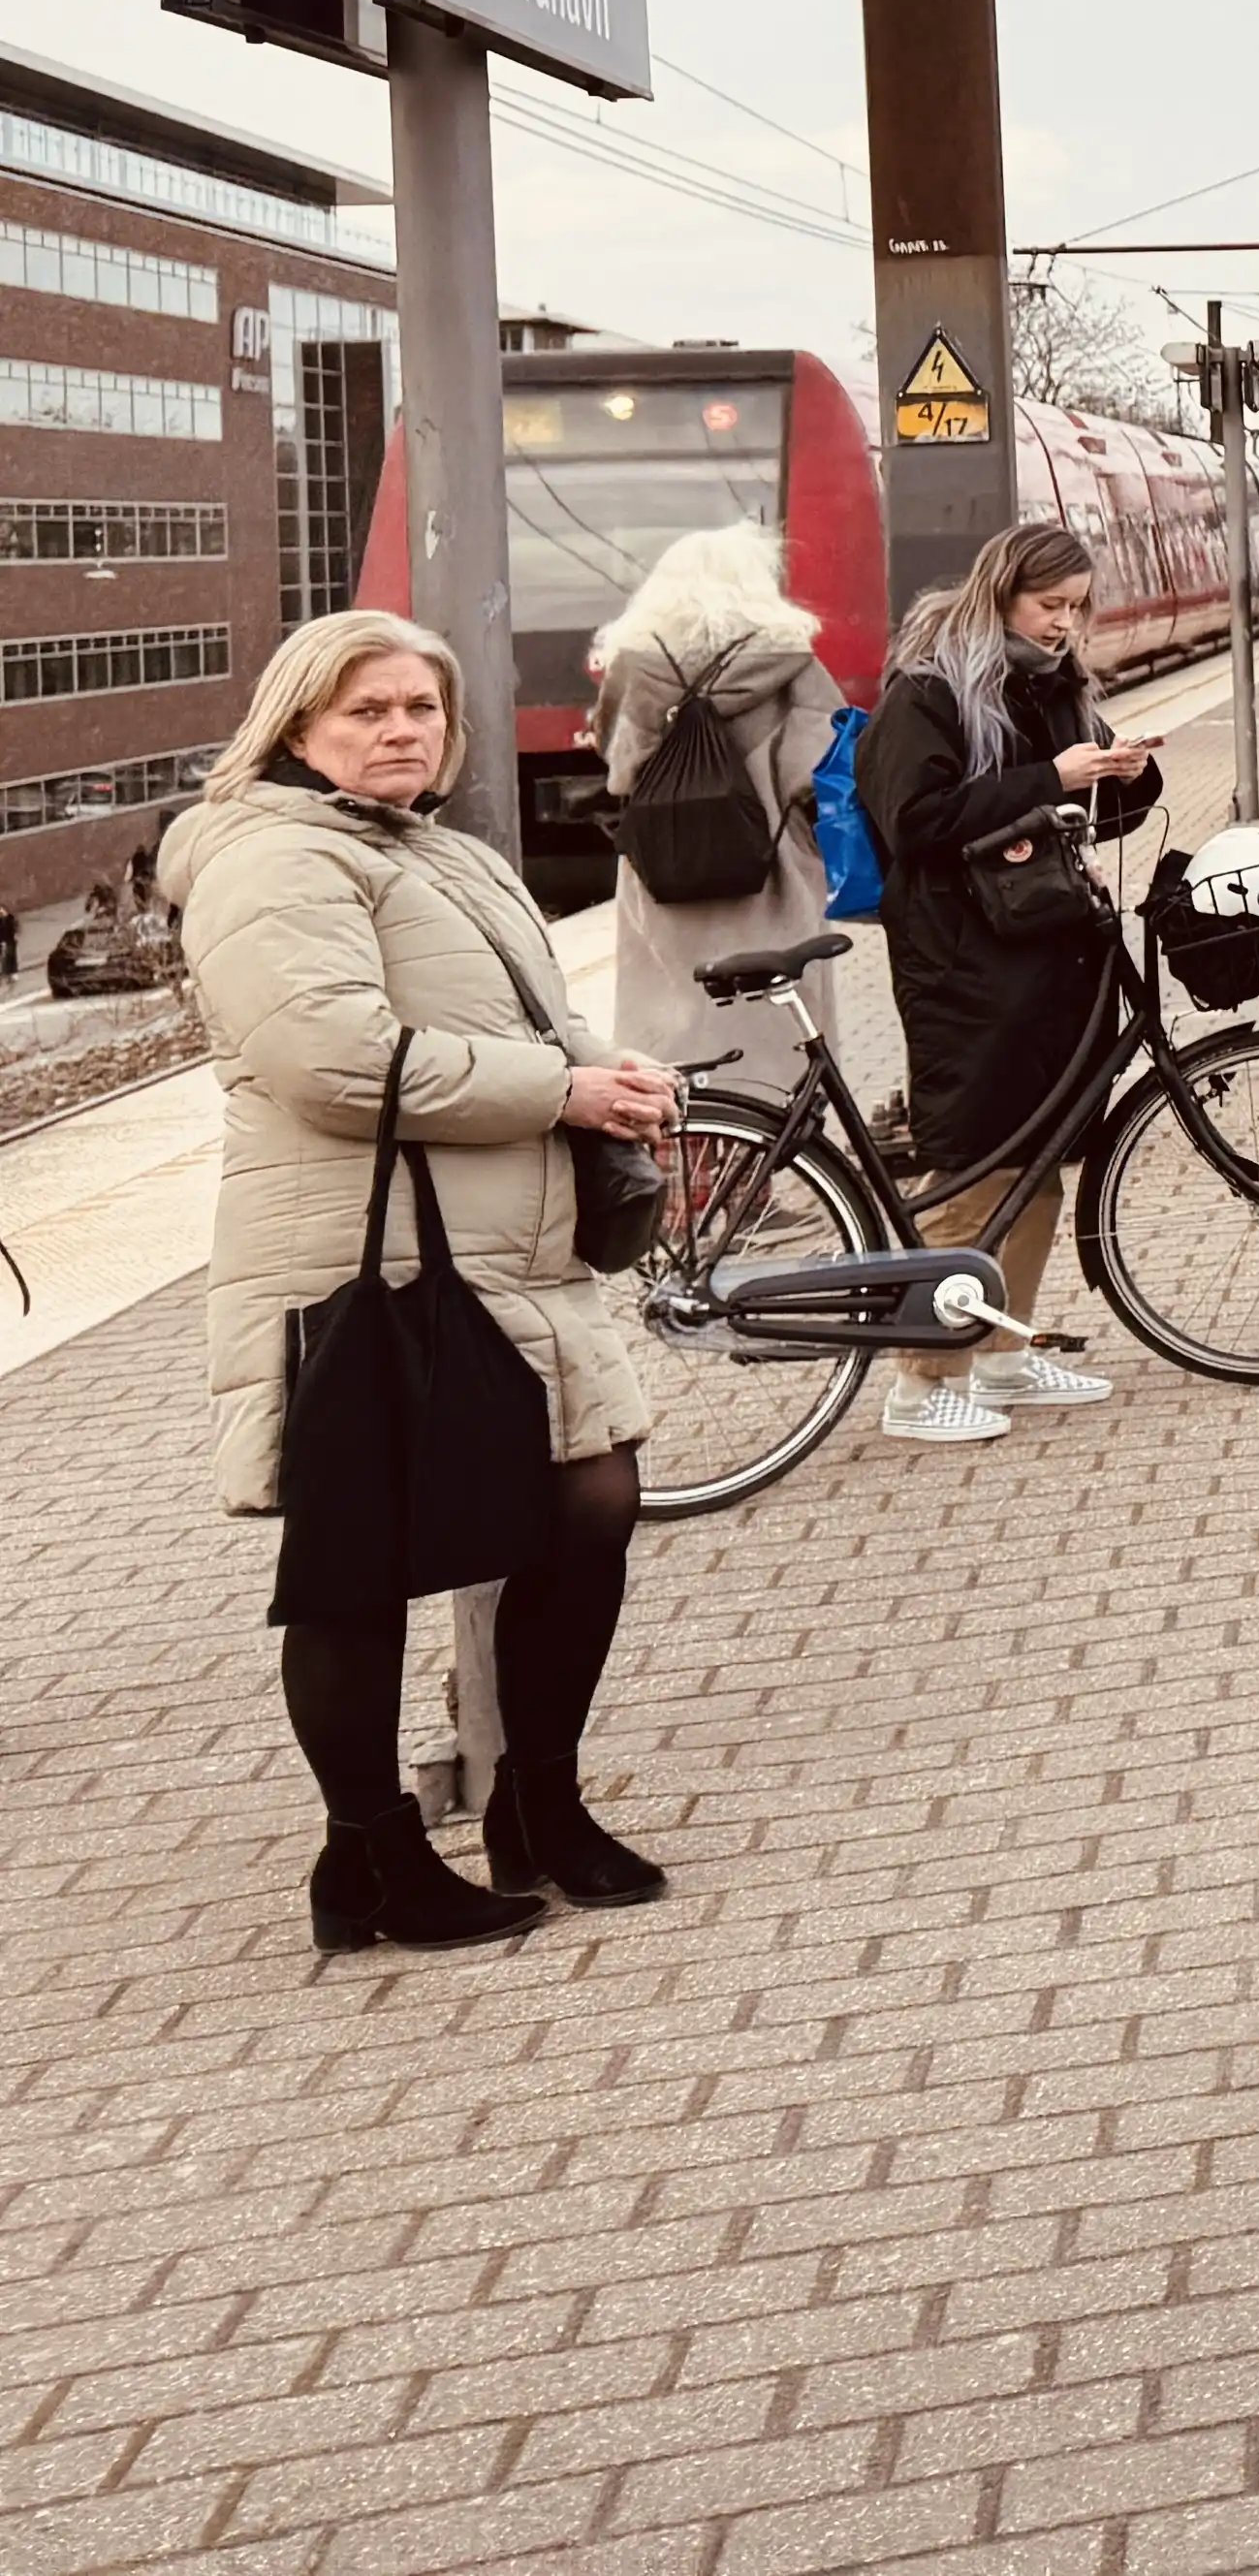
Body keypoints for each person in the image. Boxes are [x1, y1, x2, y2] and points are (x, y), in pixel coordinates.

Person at [165, 610, 690, 1951]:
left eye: (420, 709)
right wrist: (558, 1087)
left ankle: (539, 1803)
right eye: (366, 712)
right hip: (363, 1261)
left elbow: (533, 1020)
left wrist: (611, 1079)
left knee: (590, 1503)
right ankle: (369, 1863)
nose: (402, 730)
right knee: (359, 1562)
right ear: (297, 727)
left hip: (509, 1250)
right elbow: (335, 1061)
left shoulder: (447, 854)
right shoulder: (270, 859)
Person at [858, 518, 1160, 1447]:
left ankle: (997, 1355)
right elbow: (916, 820)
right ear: (1003, 592)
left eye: (1077, 607)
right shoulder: (930, 689)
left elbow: (1081, 809)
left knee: (1034, 1174)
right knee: (976, 1173)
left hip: (1049, 955)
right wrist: (1049, 779)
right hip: (965, 967)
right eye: (1049, 605)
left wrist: (1126, 777)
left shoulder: (1057, 686)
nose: (1065, 624)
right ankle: (919, 1383)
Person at [591, 520, 847, 1077]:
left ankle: (686, 1127)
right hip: (770, 868)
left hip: (666, 867)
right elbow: (819, 766)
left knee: (671, 1004)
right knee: (775, 1013)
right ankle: (777, 1139)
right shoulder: (791, 661)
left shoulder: (635, 663)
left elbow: (619, 767)